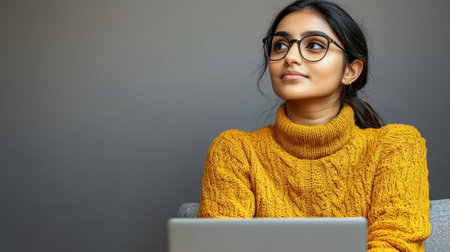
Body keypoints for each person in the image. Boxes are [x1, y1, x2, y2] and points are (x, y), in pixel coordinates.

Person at [197, 0, 431, 251]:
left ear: (351, 71)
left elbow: (396, 243)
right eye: (281, 45)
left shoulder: (396, 145)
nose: (290, 57)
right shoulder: (234, 151)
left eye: (315, 45)